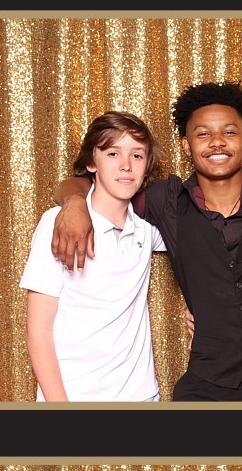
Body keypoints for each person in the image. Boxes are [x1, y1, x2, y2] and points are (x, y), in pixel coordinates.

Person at [52, 83, 242, 403]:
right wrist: (75, 203)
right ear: (186, 145)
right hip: (209, 381)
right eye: (203, 134)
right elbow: (92, 182)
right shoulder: (167, 200)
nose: (217, 141)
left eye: (229, 132)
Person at [20, 111, 167, 402]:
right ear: (91, 162)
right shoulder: (57, 224)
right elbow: (38, 330)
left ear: (147, 166)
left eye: (137, 155)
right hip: (75, 397)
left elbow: (207, 223)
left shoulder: (148, 227)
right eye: (113, 153)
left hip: (142, 397)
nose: (126, 165)